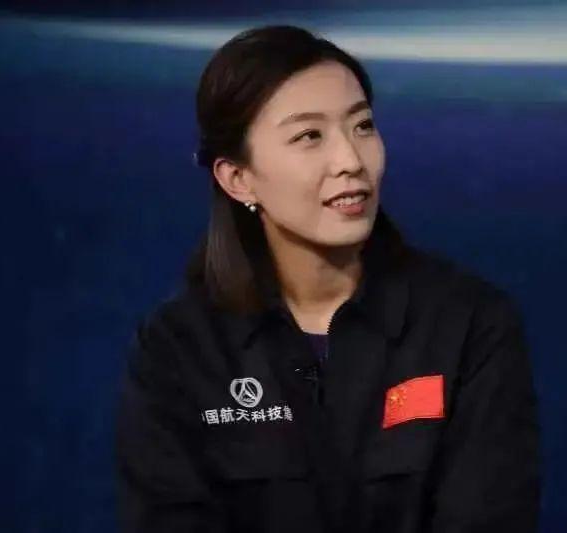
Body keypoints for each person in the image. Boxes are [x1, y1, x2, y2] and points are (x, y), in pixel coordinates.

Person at [115, 24, 540, 533]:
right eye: (309, 136)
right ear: (238, 178)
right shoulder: (177, 350)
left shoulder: (470, 324)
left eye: (362, 126)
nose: (351, 161)